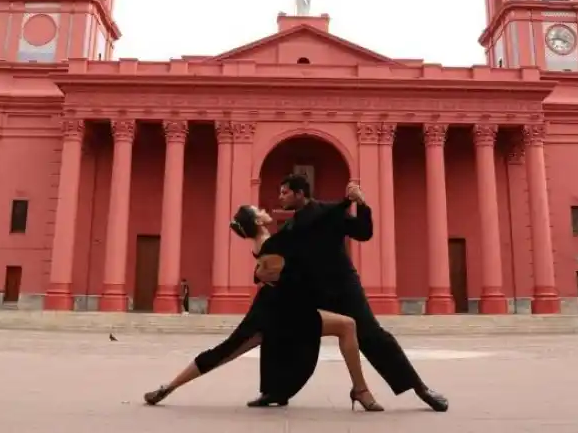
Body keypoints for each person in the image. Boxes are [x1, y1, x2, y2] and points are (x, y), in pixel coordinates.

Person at [144, 202, 383, 411]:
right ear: (258, 220)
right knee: (347, 326)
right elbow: (279, 275)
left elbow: (270, 273)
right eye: (259, 210)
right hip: (279, 312)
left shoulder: (267, 241)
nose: (265, 210)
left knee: (224, 352)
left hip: (277, 309)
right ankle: (360, 390)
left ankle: (168, 387)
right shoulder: (267, 242)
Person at [257, 174, 449, 412]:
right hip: (313, 292)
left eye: (285, 192)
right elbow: (275, 248)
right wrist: (257, 237)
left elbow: (363, 233)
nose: (280, 196)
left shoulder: (329, 212)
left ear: (300, 193)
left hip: (343, 288)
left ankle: (420, 388)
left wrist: (362, 205)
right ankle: (275, 391)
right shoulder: (294, 225)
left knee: (373, 336)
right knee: (278, 328)